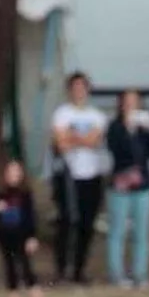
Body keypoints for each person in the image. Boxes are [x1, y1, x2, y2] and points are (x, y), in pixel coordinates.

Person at [51, 72, 108, 284]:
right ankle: (61, 268)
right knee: (66, 221)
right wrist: (82, 139)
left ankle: (79, 269)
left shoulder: (97, 116)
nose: (78, 91)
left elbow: (95, 141)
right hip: (68, 174)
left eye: (82, 87)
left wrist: (73, 136)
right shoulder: (61, 113)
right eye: (75, 87)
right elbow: (60, 143)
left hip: (91, 175)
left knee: (87, 223)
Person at [104, 89, 149, 288]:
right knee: (117, 231)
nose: (130, 105)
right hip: (120, 185)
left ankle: (140, 274)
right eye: (126, 101)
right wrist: (127, 129)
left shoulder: (144, 127)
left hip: (143, 185)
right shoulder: (114, 126)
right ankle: (116, 274)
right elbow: (115, 149)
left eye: (134, 101)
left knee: (142, 232)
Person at [0, 160, 46, 297]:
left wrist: (32, 237)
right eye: (10, 172)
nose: (13, 176)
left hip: (22, 237)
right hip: (5, 237)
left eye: (16, 172)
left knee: (27, 270)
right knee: (10, 269)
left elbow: (31, 218)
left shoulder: (26, 194)